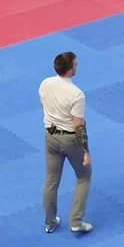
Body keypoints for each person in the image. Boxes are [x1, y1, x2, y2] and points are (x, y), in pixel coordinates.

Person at [39, 51, 92, 235]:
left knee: (51, 180)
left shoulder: (45, 83)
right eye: (75, 64)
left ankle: (50, 222)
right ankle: (76, 221)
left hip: (50, 136)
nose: (77, 66)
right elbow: (78, 125)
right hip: (70, 140)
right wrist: (85, 151)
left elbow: (44, 106)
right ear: (70, 69)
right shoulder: (77, 94)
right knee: (84, 176)